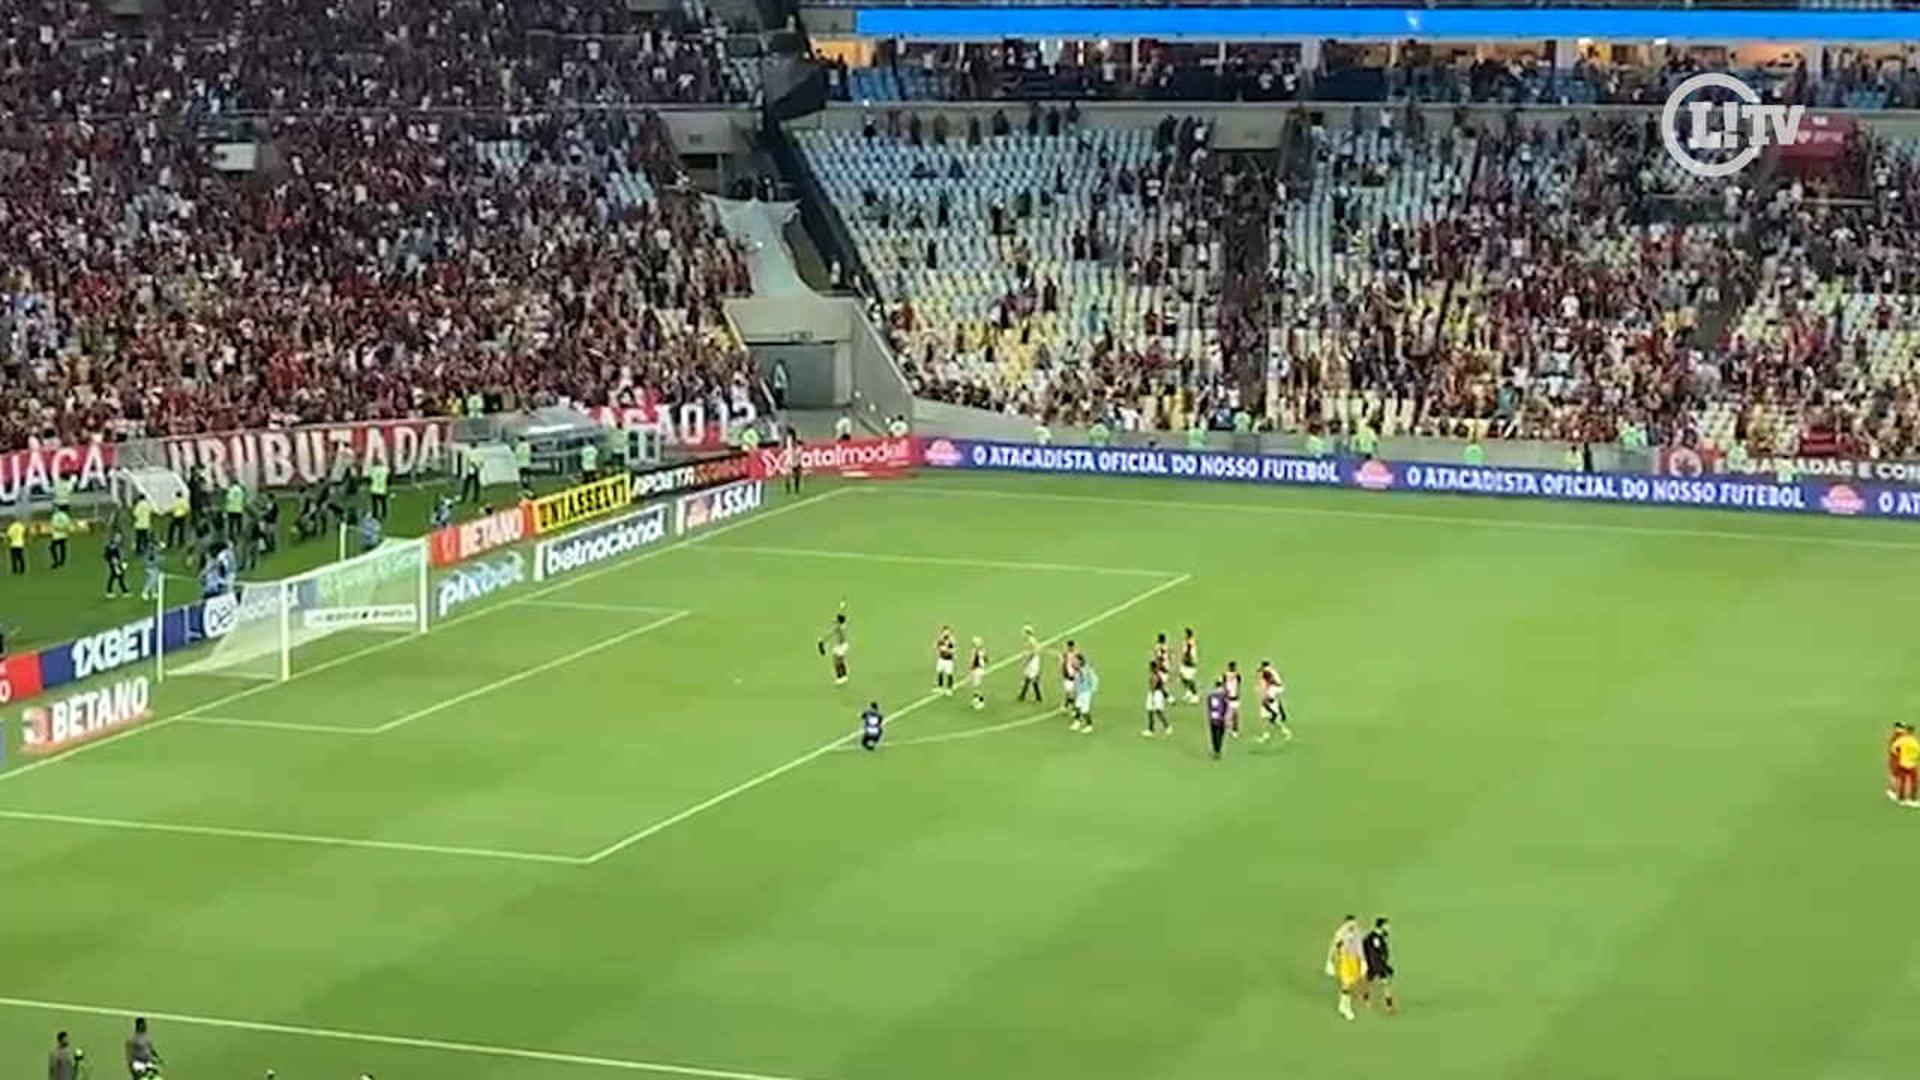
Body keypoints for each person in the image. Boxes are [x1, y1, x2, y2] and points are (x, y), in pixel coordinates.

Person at [1327, 915, 1366, 1020]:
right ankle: (1346, 1007)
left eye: (1354, 923)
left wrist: (1363, 962)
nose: (1353, 925)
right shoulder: (1341, 934)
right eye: (1350, 923)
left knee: (1351, 983)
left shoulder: (1358, 933)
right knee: (1346, 983)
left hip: (1355, 960)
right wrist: (1330, 961)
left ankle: (1343, 1004)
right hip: (1345, 959)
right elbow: (1334, 947)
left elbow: (1360, 948)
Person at [1362, 917, 1397, 1015]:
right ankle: (1368, 1000)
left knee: (1377, 983)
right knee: (1378, 983)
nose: (1389, 927)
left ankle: (1387, 1006)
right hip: (1376, 965)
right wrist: (1385, 967)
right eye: (1387, 925)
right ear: (1381, 926)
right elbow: (1375, 955)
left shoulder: (1379, 936)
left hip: (1378, 964)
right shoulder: (1374, 938)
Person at [1258, 660, 1292, 743]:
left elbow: (1273, 695)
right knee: (1265, 719)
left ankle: (1286, 732)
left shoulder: (1273, 687)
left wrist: (1268, 702)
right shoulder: (1268, 684)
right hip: (1266, 704)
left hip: (1271, 704)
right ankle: (1266, 734)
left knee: (1273, 720)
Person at [1891, 723, 1920, 807]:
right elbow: (1918, 753)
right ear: (1913, 732)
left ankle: (1901, 799)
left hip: (1902, 763)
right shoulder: (1914, 742)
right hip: (1912, 765)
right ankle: (1912, 799)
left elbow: (1893, 748)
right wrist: (1915, 759)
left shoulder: (1901, 740)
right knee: (1914, 782)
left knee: (1903, 781)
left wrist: (1899, 755)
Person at [818, 609, 850, 685]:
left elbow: (830, 634)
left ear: (839, 621)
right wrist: (837, 619)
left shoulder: (838, 628)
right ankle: (844, 675)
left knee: (836, 662)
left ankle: (840, 677)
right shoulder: (843, 626)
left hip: (840, 647)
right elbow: (839, 621)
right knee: (840, 660)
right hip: (844, 645)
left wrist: (822, 641)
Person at [1070, 654, 1098, 733]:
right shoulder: (1078, 669)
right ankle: (1077, 722)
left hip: (1085, 693)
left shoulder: (1084, 670)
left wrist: (1093, 689)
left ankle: (1089, 725)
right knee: (1077, 707)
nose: (1074, 661)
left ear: (1080, 661)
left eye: (1075, 660)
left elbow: (1092, 678)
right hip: (1080, 692)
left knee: (1085, 710)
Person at [1016, 626, 1043, 703]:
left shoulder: (1031, 640)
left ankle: (1038, 697)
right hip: (1031, 660)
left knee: (1032, 678)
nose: (1023, 634)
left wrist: (1027, 658)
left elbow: (1034, 652)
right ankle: (1022, 695)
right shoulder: (1028, 640)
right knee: (1027, 677)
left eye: (1024, 632)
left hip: (1033, 661)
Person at [1143, 658, 1170, 737]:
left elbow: (1154, 687)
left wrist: (1153, 697)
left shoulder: (1155, 676)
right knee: (1150, 711)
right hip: (1154, 694)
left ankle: (1166, 726)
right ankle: (1151, 729)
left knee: (1157, 711)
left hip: (1155, 694)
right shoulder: (1156, 675)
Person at [1205, 677, 1229, 758]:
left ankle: (1216, 749)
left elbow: (1209, 706)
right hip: (1221, 717)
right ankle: (1218, 749)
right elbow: (1226, 706)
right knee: (1221, 733)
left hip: (1213, 716)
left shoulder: (1211, 695)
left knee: (1214, 734)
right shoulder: (1224, 694)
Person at [104, 529, 131, 598]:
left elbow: (121, 554)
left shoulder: (118, 545)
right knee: (118, 576)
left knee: (115, 576)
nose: (118, 538)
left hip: (118, 562)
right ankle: (123, 591)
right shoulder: (111, 545)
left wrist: (124, 561)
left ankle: (110, 591)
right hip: (113, 563)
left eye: (119, 537)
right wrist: (112, 560)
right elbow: (107, 555)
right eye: (117, 537)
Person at [933, 626, 958, 695]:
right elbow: (935, 646)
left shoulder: (951, 640)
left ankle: (949, 688)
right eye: (944, 631)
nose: (946, 633)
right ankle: (940, 687)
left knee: (949, 674)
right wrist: (939, 648)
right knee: (939, 672)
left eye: (947, 631)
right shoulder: (941, 639)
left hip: (948, 660)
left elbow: (954, 650)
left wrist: (947, 650)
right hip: (941, 658)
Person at [1178, 628, 1200, 703]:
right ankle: (1189, 692)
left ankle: (1195, 695)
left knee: (1190, 679)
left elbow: (1188, 653)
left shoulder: (1190, 642)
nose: (1184, 635)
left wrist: (1186, 660)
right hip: (1185, 662)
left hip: (1189, 662)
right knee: (1182, 677)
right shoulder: (1186, 641)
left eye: (1185, 633)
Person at [1223, 660, 1243, 737]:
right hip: (1228, 696)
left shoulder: (1237, 675)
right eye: (1232, 667)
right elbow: (1224, 685)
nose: (1233, 668)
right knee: (1227, 713)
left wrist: (1237, 694)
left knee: (1235, 713)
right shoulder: (1225, 675)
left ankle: (1235, 730)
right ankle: (1227, 727)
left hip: (1235, 697)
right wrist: (1225, 694)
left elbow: (1238, 686)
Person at [967, 636, 988, 710]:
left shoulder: (975, 651)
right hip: (981, 669)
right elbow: (986, 660)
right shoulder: (983, 651)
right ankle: (976, 700)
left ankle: (980, 702)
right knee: (977, 686)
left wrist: (970, 669)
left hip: (976, 670)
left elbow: (972, 661)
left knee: (977, 687)